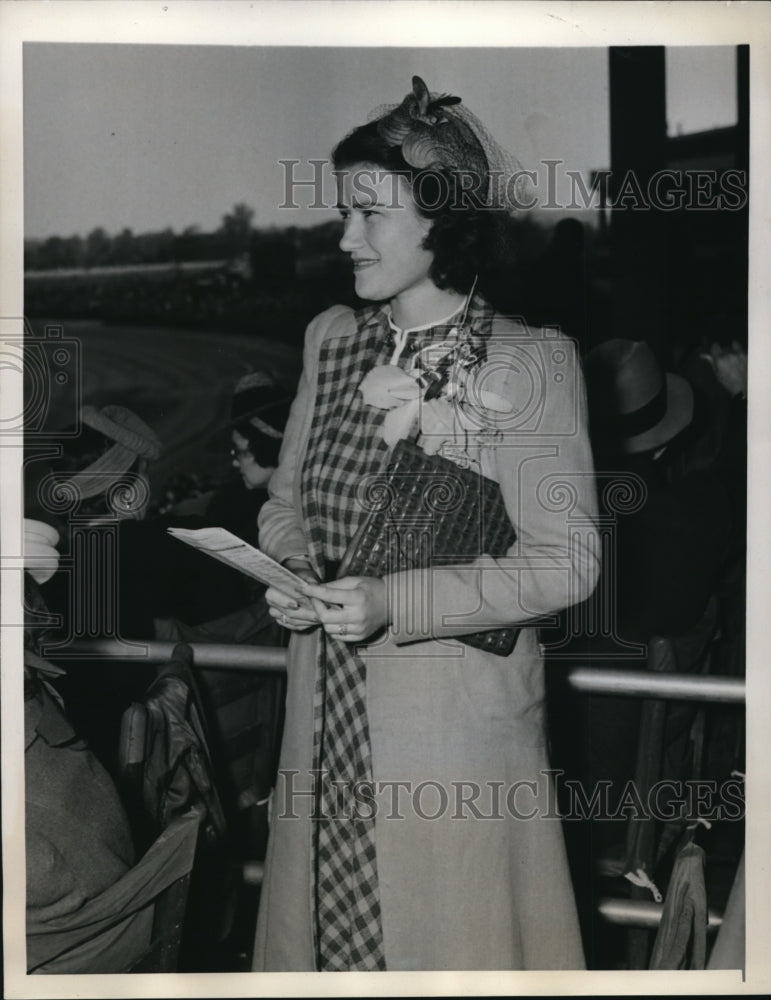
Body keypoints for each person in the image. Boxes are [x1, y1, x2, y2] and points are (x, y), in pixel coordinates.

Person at [252, 75, 599, 972]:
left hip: (455, 746)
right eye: (343, 214)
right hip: (321, 723)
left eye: (369, 214)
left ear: (441, 221)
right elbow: (284, 502)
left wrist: (390, 604)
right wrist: (292, 573)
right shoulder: (331, 339)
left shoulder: (531, 361)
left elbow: (565, 566)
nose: (344, 237)